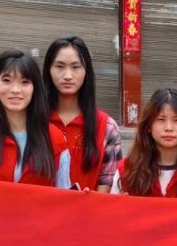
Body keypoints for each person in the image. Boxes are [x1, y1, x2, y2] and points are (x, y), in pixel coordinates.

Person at [0, 49, 70, 186]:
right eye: (7, 80)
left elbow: (64, 193)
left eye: (25, 82)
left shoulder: (56, 139)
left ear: (35, 88)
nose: (15, 90)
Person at [45, 36, 122, 191]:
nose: (67, 75)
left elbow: (107, 184)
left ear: (86, 71)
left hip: (89, 207)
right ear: (49, 70)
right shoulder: (33, 121)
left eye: (75, 67)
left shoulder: (107, 126)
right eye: (59, 66)